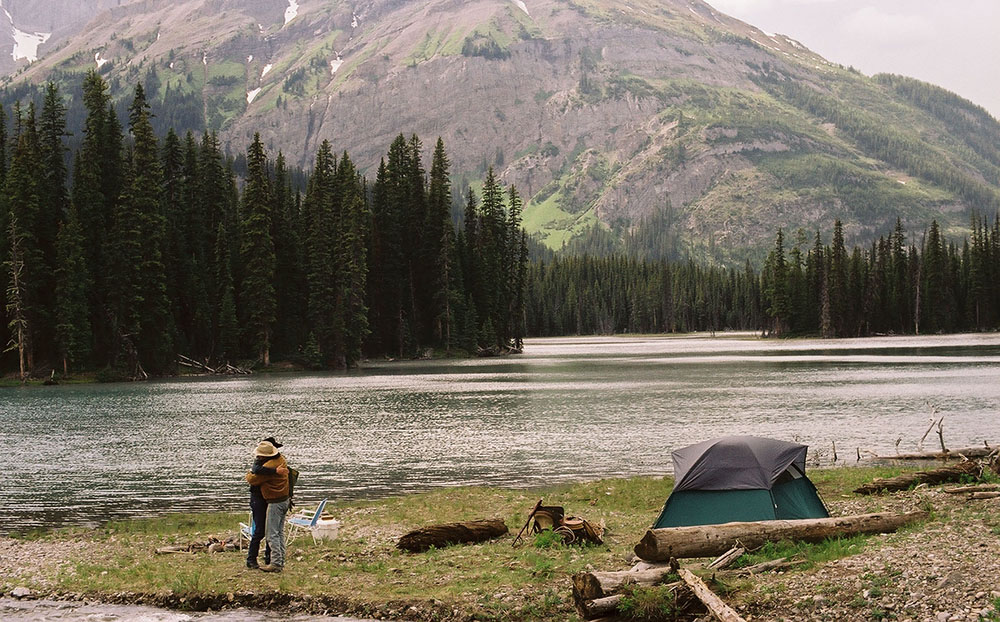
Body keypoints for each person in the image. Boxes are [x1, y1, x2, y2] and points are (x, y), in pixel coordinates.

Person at [245, 440, 290, 573]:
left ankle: (274, 562)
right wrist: (274, 471)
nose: (257, 457)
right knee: (276, 531)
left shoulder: (270, 465)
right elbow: (257, 469)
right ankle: (275, 559)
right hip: (278, 500)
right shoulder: (279, 461)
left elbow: (252, 479)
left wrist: (249, 474)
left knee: (270, 533)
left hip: (273, 501)